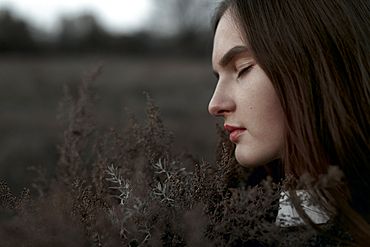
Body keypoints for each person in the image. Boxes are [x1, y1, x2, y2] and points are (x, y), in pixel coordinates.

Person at [208, 0, 370, 245]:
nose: (215, 104)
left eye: (242, 68)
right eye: (218, 77)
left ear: (316, 66)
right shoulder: (252, 210)